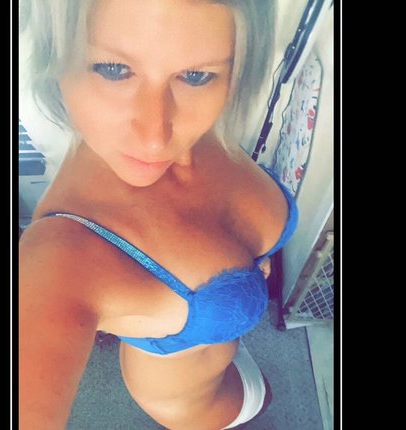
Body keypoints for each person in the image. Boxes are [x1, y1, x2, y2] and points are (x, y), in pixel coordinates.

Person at [19, 1, 298, 429]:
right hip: (199, 406)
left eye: (196, 76)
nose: (156, 138)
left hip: (225, 347)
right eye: (113, 69)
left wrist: (251, 269)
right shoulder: (61, 253)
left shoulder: (207, 126)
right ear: (53, 57)